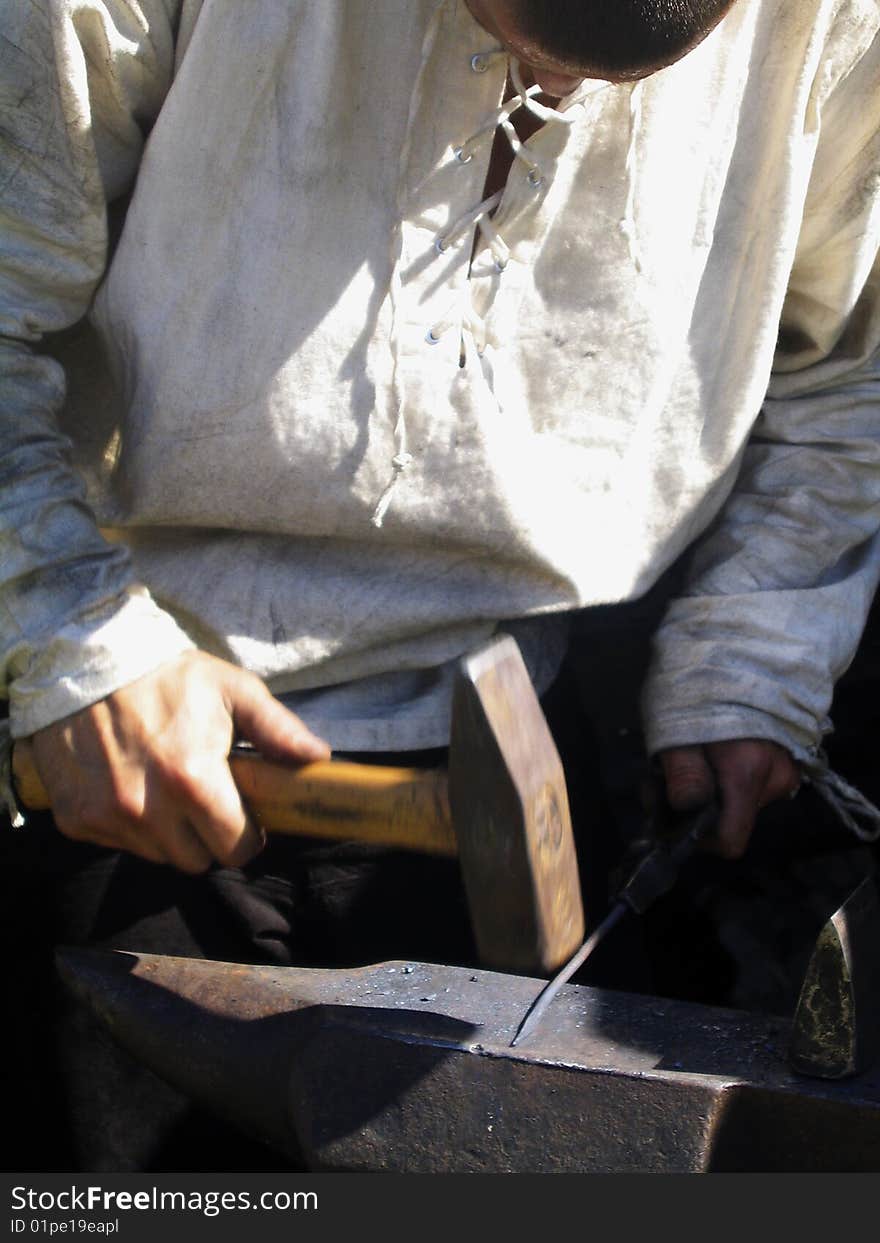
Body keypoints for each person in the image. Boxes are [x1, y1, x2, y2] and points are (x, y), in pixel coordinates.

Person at [1, 0, 879, 1168]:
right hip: (105, 737)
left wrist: (750, 655)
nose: (551, 96)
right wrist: (70, 636)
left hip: (533, 738)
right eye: (520, 41)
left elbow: (845, 375)